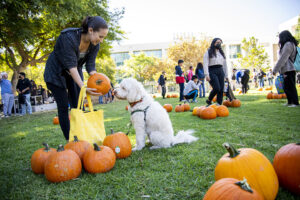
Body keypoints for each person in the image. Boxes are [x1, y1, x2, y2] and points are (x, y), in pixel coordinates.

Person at [44, 16, 108, 140]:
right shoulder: (68, 37)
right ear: (90, 30)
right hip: (56, 73)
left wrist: (98, 82)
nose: (101, 40)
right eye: (100, 36)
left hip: (74, 73)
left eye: (103, 37)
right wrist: (83, 86)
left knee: (78, 105)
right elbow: (71, 66)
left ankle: (81, 137)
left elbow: (90, 66)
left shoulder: (94, 44)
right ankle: (71, 140)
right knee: (63, 107)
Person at [273, 30, 299, 107]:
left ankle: (295, 102)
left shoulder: (288, 45)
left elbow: (283, 58)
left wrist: (275, 69)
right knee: (287, 87)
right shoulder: (288, 44)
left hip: (289, 69)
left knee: (290, 86)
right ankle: (290, 102)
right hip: (286, 69)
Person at [203, 38, 228, 105]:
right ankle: (209, 99)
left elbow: (225, 65)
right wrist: (206, 74)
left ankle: (219, 103)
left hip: (220, 70)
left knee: (221, 88)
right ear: (213, 43)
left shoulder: (221, 53)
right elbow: (205, 64)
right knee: (217, 88)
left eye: (220, 42)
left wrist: (226, 75)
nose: (219, 44)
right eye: (217, 42)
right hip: (212, 70)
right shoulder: (208, 52)